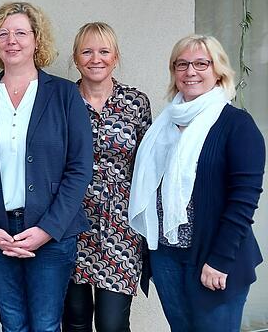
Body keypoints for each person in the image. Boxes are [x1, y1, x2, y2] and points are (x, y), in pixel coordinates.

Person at [0, 1, 92, 332]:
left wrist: (47, 230)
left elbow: (80, 167)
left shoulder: (63, 95)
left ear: (36, 39)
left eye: (20, 32)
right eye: (3, 33)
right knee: (12, 323)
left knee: (46, 324)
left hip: (52, 233)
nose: (11, 40)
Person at [128, 35, 265, 332]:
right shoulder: (163, 126)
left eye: (201, 63)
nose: (191, 71)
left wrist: (220, 260)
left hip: (215, 259)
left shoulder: (237, 125)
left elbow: (243, 201)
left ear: (218, 71)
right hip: (166, 256)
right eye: (182, 64)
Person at [62, 23, 152, 332]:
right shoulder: (61, 100)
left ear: (115, 57)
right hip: (69, 222)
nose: (95, 59)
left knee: (113, 323)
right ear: (76, 58)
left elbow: (147, 167)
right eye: (87, 51)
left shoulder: (135, 103)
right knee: (74, 320)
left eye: (104, 51)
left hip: (121, 227)